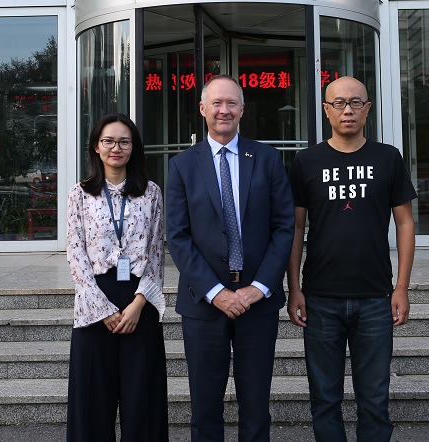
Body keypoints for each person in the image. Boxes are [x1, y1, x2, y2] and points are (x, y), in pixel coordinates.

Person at [165, 74, 295, 442]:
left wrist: (259, 288)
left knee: (256, 406)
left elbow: (284, 227)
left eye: (231, 103)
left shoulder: (267, 158)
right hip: (203, 304)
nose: (224, 110)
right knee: (205, 408)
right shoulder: (182, 165)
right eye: (217, 103)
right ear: (202, 109)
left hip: (258, 303)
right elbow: (177, 236)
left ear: (242, 109)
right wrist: (216, 292)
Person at [286, 75, 416, 442]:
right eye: (339, 103)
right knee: (324, 399)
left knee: (374, 401)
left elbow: (405, 223)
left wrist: (401, 288)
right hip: (319, 297)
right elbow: (295, 228)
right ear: (326, 110)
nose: (348, 110)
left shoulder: (388, 158)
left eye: (356, 102)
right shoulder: (306, 161)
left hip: (375, 296)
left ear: (368, 109)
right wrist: (294, 288)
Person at [65, 113, 168, 442]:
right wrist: (102, 309)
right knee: (92, 401)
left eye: (124, 142)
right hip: (95, 300)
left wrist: (139, 303)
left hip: (139, 299)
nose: (116, 148)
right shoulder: (80, 194)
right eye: (108, 141)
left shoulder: (150, 193)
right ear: (96, 147)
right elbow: (76, 252)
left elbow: (156, 251)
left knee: (143, 400)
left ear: (133, 148)